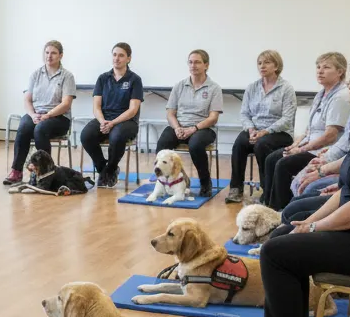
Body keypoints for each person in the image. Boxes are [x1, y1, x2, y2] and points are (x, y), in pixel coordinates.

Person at [251, 48, 350, 317]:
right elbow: (345, 190)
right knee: (282, 235)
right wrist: (308, 224)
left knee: (276, 252)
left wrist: (315, 227)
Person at [261, 52, 350, 210]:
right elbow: (309, 129)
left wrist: (301, 149)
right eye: (318, 67)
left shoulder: (341, 97)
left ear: (340, 71)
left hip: (324, 150)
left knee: (283, 164)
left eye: (326, 67)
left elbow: (330, 136)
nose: (320, 71)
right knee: (271, 158)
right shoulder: (321, 94)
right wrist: (295, 145)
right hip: (310, 144)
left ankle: (279, 209)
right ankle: (267, 202)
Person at [226, 50, 297, 204]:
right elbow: (244, 113)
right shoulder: (252, 87)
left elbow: (287, 118)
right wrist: (251, 129)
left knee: (262, 144)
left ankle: (267, 190)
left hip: (280, 132)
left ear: (276, 66)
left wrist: (265, 131)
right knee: (239, 143)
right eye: (259, 63)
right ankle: (236, 188)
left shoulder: (286, 88)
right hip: (255, 130)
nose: (262, 66)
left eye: (267, 62)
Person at [2, 39, 76, 186]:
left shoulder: (67, 76)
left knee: (40, 130)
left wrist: (48, 115)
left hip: (58, 117)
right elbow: (27, 100)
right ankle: (16, 171)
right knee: (24, 127)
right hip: (36, 114)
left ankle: (45, 173)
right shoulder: (35, 74)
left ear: (61, 55)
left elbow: (66, 103)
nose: (49, 56)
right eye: (47, 52)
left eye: (53, 53)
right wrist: (32, 114)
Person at [155, 49, 224, 197]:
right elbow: (170, 113)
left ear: (206, 65)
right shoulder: (179, 86)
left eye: (198, 62)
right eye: (191, 62)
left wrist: (194, 128)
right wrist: (177, 127)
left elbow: (213, 117)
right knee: (162, 144)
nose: (193, 65)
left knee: (196, 145)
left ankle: (205, 182)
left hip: (203, 128)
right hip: (179, 126)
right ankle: (172, 179)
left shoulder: (214, 88)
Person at [80, 42, 143, 188]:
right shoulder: (103, 78)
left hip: (127, 120)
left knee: (117, 136)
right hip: (105, 118)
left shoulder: (135, 79)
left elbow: (133, 110)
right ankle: (105, 170)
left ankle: (111, 168)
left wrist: (112, 123)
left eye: (121, 55)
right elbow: (96, 107)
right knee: (86, 135)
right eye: (114, 55)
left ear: (129, 58)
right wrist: (102, 121)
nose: (117, 58)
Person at [290, 105, 350, 198]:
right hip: (341, 163)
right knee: (300, 180)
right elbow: (346, 143)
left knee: (310, 187)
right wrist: (326, 157)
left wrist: (324, 168)